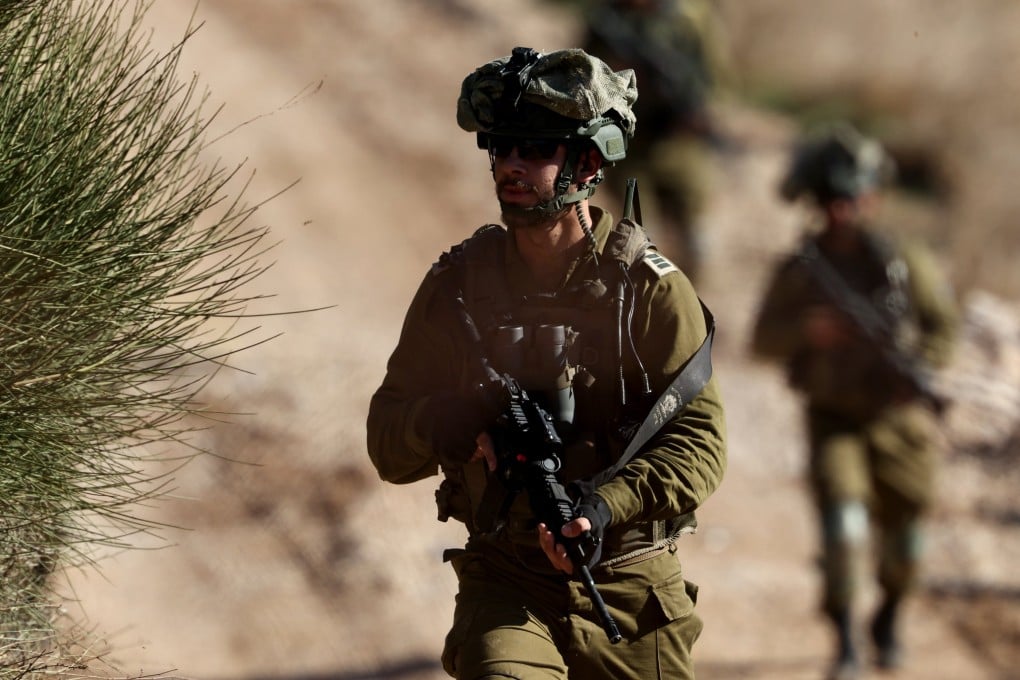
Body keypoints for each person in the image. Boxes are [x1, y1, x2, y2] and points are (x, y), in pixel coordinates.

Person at [366, 46, 726, 679]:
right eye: (500, 149)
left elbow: (699, 446)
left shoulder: (648, 290)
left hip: (630, 592)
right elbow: (387, 442)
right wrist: (442, 420)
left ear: (587, 162)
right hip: (506, 583)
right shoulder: (457, 286)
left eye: (534, 149)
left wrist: (605, 504)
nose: (510, 165)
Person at [749, 123, 959, 680]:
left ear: (873, 197)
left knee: (906, 543)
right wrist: (806, 330)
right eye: (832, 202)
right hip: (833, 417)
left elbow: (942, 328)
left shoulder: (903, 261)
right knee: (843, 529)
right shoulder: (803, 268)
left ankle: (888, 614)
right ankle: (844, 637)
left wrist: (919, 371)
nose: (843, 212)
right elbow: (760, 339)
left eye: (852, 199)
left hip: (899, 420)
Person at [573, 0, 733, 283]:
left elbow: (709, 75)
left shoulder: (685, 21)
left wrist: (697, 109)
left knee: (695, 237)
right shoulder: (606, 23)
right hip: (627, 143)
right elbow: (582, 80)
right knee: (636, 233)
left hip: (678, 141)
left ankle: (689, 301)